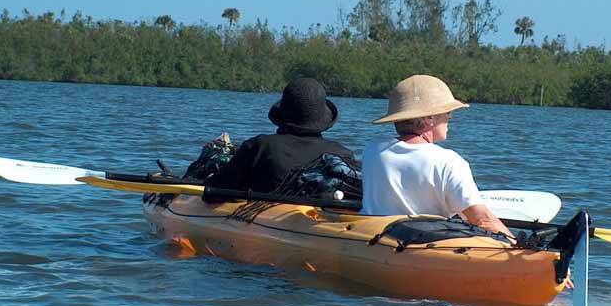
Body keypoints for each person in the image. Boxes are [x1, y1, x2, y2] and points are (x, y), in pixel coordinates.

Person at [360, 74, 514, 238]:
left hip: (372, 238)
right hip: (420, 244)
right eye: (447, 112)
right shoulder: (448, 162)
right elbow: (482, 220)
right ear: (429, 118)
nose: (450, 117)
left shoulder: (372, 150)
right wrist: (517, 243)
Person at [207, 77, 357, 193]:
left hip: (267, 218)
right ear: (323, 119)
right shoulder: (343, 154)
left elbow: (215, 191)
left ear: (282, 115)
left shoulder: (260, 146)